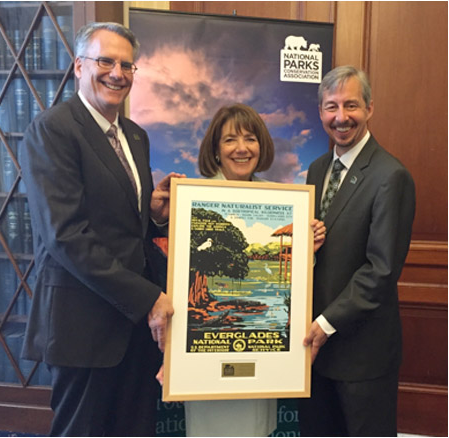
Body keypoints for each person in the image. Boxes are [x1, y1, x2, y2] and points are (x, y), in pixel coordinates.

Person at [19, 22, 180, 436]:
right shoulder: (53, 129)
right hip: (84, 329)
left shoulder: (135, 136)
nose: (118, 73)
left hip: (135, 332)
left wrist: (154, 213)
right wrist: (149, 297)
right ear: (78, 66)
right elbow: (65, 236)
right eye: (105, 61)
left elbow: (126, 226)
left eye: (127, 64)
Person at [183, 103, 326, 437]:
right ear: (215, 149)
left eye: (250, 138)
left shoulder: (277, 199)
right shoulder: (194, 199)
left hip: (261, 363)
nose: (242, 148)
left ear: (261, 146)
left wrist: (308, 251)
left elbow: (295, 280)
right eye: (230, 139)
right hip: (204, 365)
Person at [299, 66, 416, 436]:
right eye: (331, 107)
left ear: (369, 109)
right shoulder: (317, 169)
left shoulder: (390, 176)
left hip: (362, 354)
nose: (341, 117)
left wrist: (326, 323)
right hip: (316, 351)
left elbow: (381, 269)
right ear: (320, 113)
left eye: (351, 105)